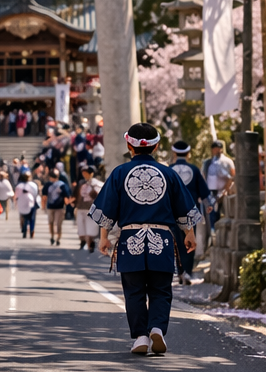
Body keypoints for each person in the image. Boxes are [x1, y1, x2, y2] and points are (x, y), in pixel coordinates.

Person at [90, 122, 201, 356]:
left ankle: (140, 335)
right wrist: (189, 233)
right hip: (162, 238)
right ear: (157, 146)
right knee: (161, 289)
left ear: (129, 146)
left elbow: (107, 208)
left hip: (130, 238)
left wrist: (103, 238)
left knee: (134, 290)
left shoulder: (119, 173)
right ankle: (157, 329)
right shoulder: (168, 173)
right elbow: (184, 206)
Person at [169, 139, 211, 284]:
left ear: (174, 152)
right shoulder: (194, 169)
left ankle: (179, 270)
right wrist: (208, 204)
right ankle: (187, 271)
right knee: (189, 241)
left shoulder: (169, 169)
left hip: (171, 211)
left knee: (176, 241)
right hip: (189, 211)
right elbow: (203, 191)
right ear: (188, 153)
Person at [204, 138, 234, 231]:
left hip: (224, 191)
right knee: (212, 212)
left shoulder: (228, 161)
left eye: (219, 148)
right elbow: (204, 176)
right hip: (211, 191)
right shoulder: (207, 163)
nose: (217, 150)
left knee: (226, 213)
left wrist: (226, 190)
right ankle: (213, 231)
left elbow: (233, 176)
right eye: (215, 148)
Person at [74, 165, 103, 252]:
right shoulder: (82, 183)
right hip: (81, 207)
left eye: (86, 173)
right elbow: (77, 194)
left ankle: (91, 243)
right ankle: (83, 242)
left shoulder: (97, 184)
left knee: (91, 227)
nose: (84, 174)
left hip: (92, 208)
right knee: (81, 226)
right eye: (83, 173)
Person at [45, 165, 73, 246]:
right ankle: (54, 236)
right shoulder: (49, 185)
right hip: (53, 207)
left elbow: (66, 196)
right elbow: (44, 195)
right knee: (54, 223)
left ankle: (56, 237)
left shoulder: (61, 185)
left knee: (56, 223)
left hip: (58, 207)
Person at [15, 169, 40, 238]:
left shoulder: (19, 186)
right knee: (32, 218)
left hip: (22, 203)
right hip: (32, 203)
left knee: (24, 217)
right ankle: (32, 230)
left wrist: (16, 203)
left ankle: (24, 229)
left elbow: (16, 195)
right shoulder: (33, 185)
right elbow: (36, 194)